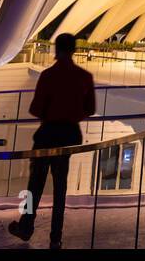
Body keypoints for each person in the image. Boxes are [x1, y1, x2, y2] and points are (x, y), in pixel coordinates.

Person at [8, 33, 96, 249]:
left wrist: (51, 113)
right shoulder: (84, 77)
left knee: (35, 185)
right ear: (74, 49)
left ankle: (26, 226)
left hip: (47, 135)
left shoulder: (48, 76)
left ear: (57, 50)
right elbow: (90, 109)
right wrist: (72, 114)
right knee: (60, 188)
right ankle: (56, 237)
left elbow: (35, 108)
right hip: (68, 136)